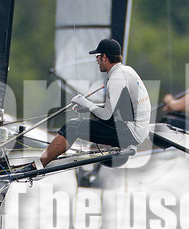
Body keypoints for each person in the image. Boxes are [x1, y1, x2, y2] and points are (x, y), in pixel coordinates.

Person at [29, 38, 149, 169]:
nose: (96, 60)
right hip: (137, 130)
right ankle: (41, 162)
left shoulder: (116, 78)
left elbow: (107, 116)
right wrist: (89, 108)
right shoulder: (127, 70)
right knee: (76, 124)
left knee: (72, 127)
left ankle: (38, 165)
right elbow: (113, 108)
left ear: (104, 57)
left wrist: (86, 103)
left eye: (97, 56)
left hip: (131, 133)